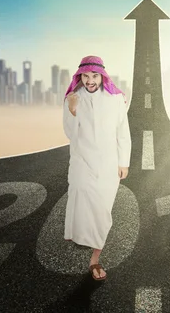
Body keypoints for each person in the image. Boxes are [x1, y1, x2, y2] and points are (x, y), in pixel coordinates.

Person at [62, 55, 132, 281]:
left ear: (102, 76)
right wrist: (73, 111)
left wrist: (124, 162)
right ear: (79, 76)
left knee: (102, 211)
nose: (90, 81)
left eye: (94, 76)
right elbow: (70, 134)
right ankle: (82, 237)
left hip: (108, 163)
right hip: (82, 161)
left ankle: (95, 259)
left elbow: (123, 131)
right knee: (81, 200)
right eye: (85, 76)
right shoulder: (73, 98)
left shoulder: (116, 98)